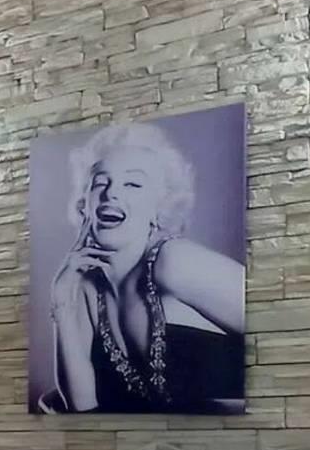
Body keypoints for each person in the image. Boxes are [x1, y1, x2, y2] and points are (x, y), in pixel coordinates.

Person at [45, 122, 245, 413]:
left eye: (133, 184)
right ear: (84, 204)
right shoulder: (87, 288)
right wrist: (61, 298)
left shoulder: (175, 262)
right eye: (100, 183)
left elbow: (277, 327)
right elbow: (82, 407)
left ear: (159, 207)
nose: (111, 194)